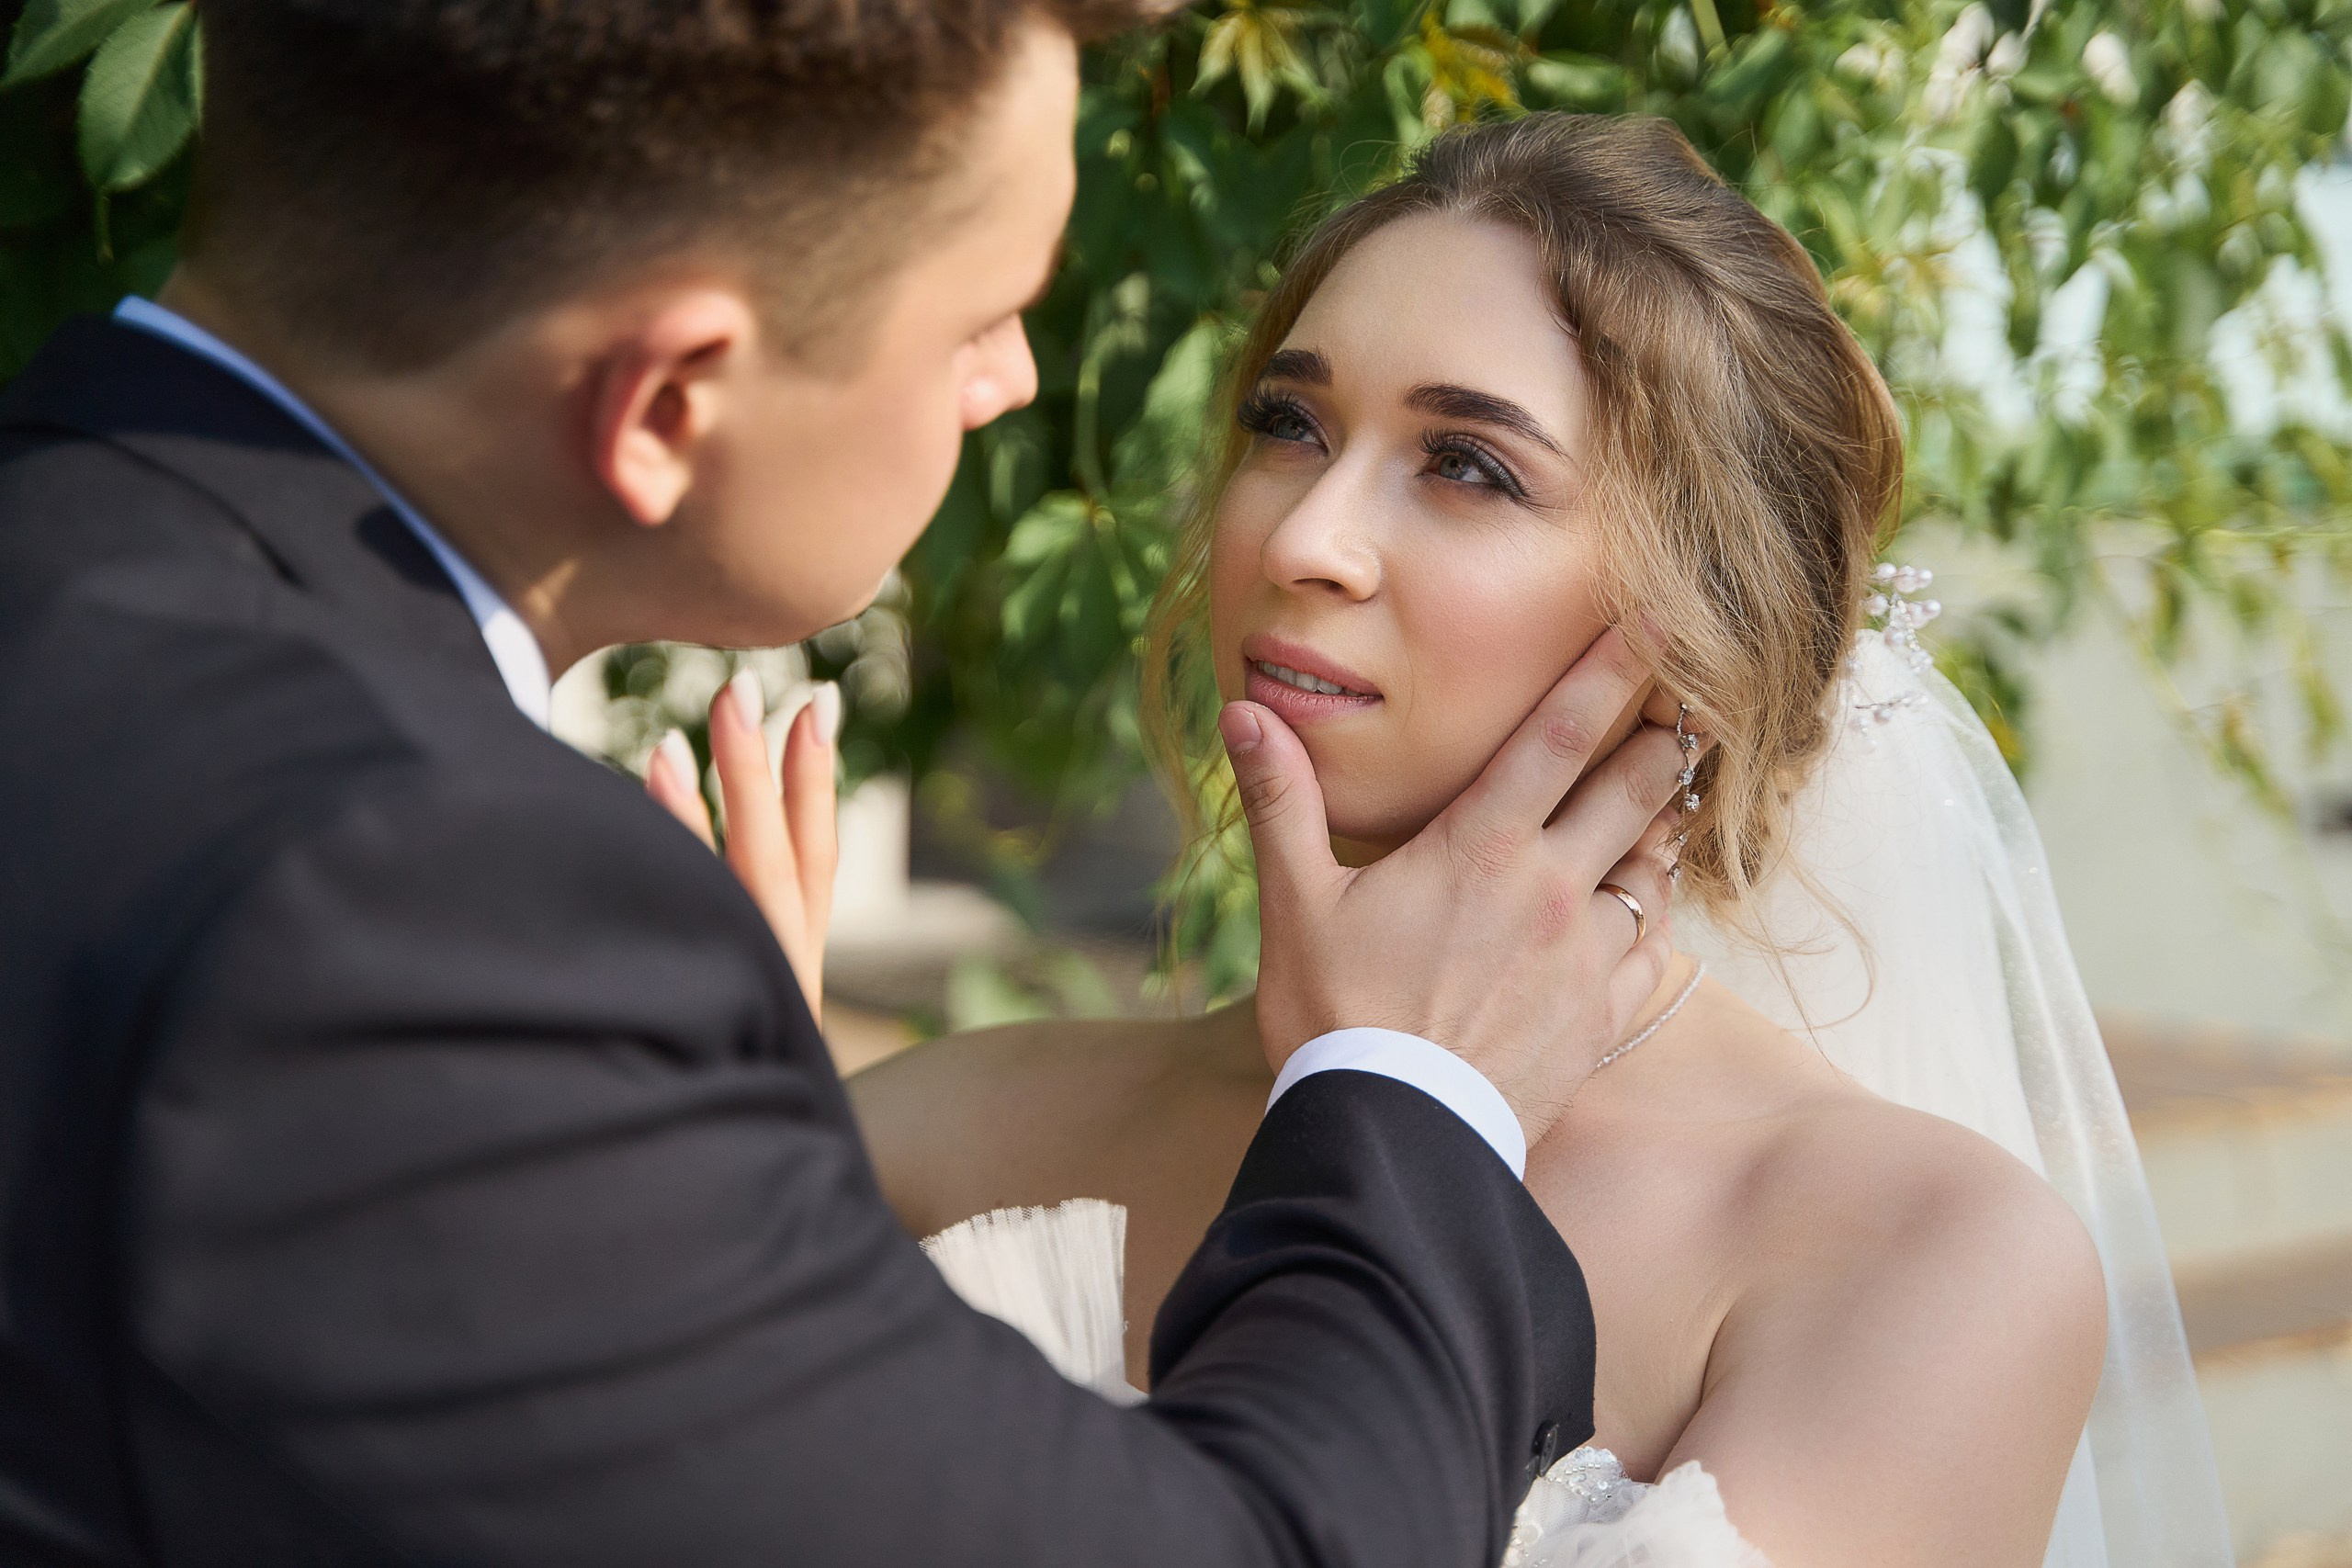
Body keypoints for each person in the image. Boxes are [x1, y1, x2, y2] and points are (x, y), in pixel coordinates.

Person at [0, 7, 1694, 1568]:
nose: (1010, 381)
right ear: (668, 402)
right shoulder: (411, 914)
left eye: (1467, 465)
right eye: (978, 316)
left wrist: (717, 1162)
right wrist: (1413, 1087)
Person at [684, 116, 2234, 1567]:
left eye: (1469, 465)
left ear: (1709, 625)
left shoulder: (1927, 1260)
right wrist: (706, 1195)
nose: (1304, 539)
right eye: (1288, 424)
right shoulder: (927, 1137)